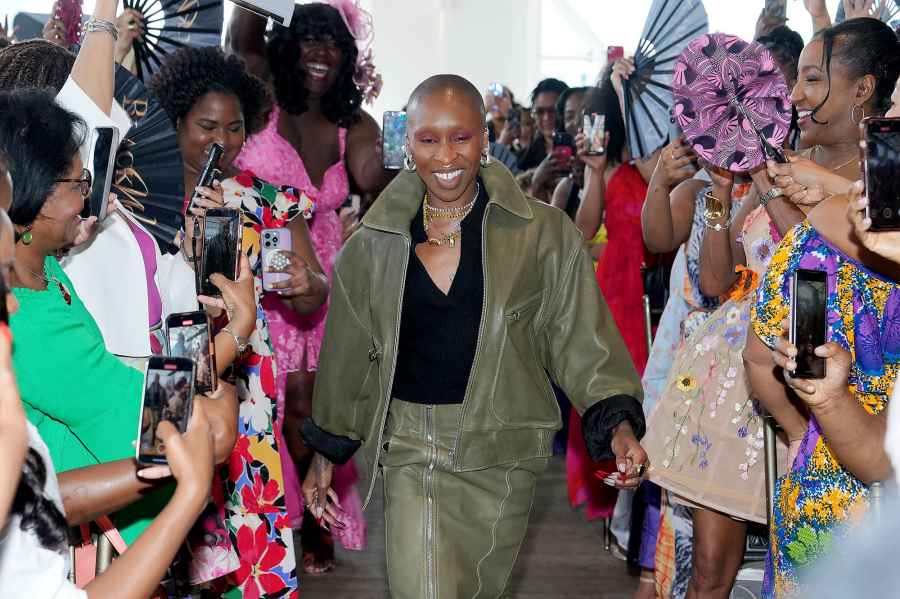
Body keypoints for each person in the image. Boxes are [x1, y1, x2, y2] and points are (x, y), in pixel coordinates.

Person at [299, 73, 648, 598]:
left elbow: (580, 338)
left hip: (503, 454)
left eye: (460, 137)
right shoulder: (371, 246)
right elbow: (349, 357)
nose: (445, 156)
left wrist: (617, 425)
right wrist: (325, 451)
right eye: (428, 139)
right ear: (406, 142)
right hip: (411, 449)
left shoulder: (542, 235)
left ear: (484, 138)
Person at [149, 44, 333, 595]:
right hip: (169, 379)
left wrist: (306, 283)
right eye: (206, 126)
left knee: (247, 518)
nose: (221, 141)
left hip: (247, 386)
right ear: (176, 122)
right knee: (174, 523)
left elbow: (308, 293)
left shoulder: (262, 200)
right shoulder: (145, 197)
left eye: (234, 128)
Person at [228, 0, 391, 572]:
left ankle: (317, 519)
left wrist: (400, 153)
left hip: (325, 272)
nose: (322, 52)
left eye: (334, 42)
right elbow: (243, 31)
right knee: (269, 402)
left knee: (314, 402)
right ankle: (277, 517)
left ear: (349, 57)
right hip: (259, 266)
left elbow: (373, 177)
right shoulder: (261, 102)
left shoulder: (354, 123)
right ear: (286, 45)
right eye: (310, 38)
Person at [744, 19, 900, 597]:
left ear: (863, 89)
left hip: (834, 480)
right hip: (844, 465)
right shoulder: (818, 212)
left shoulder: (820, 232)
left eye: (813, 78)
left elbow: (763, 351)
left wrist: (802, 430)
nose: (796, 95)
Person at [0, 202, 217, 597]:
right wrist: (231, 342)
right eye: (74, 184)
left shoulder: (46, 272)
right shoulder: (28, 319)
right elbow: (118, 413)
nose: (12, 301)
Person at [517, 77, 568, 171]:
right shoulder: (524, 158)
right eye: (540, 112)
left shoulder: (581, 151)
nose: (546, 117)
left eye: (553, 110)